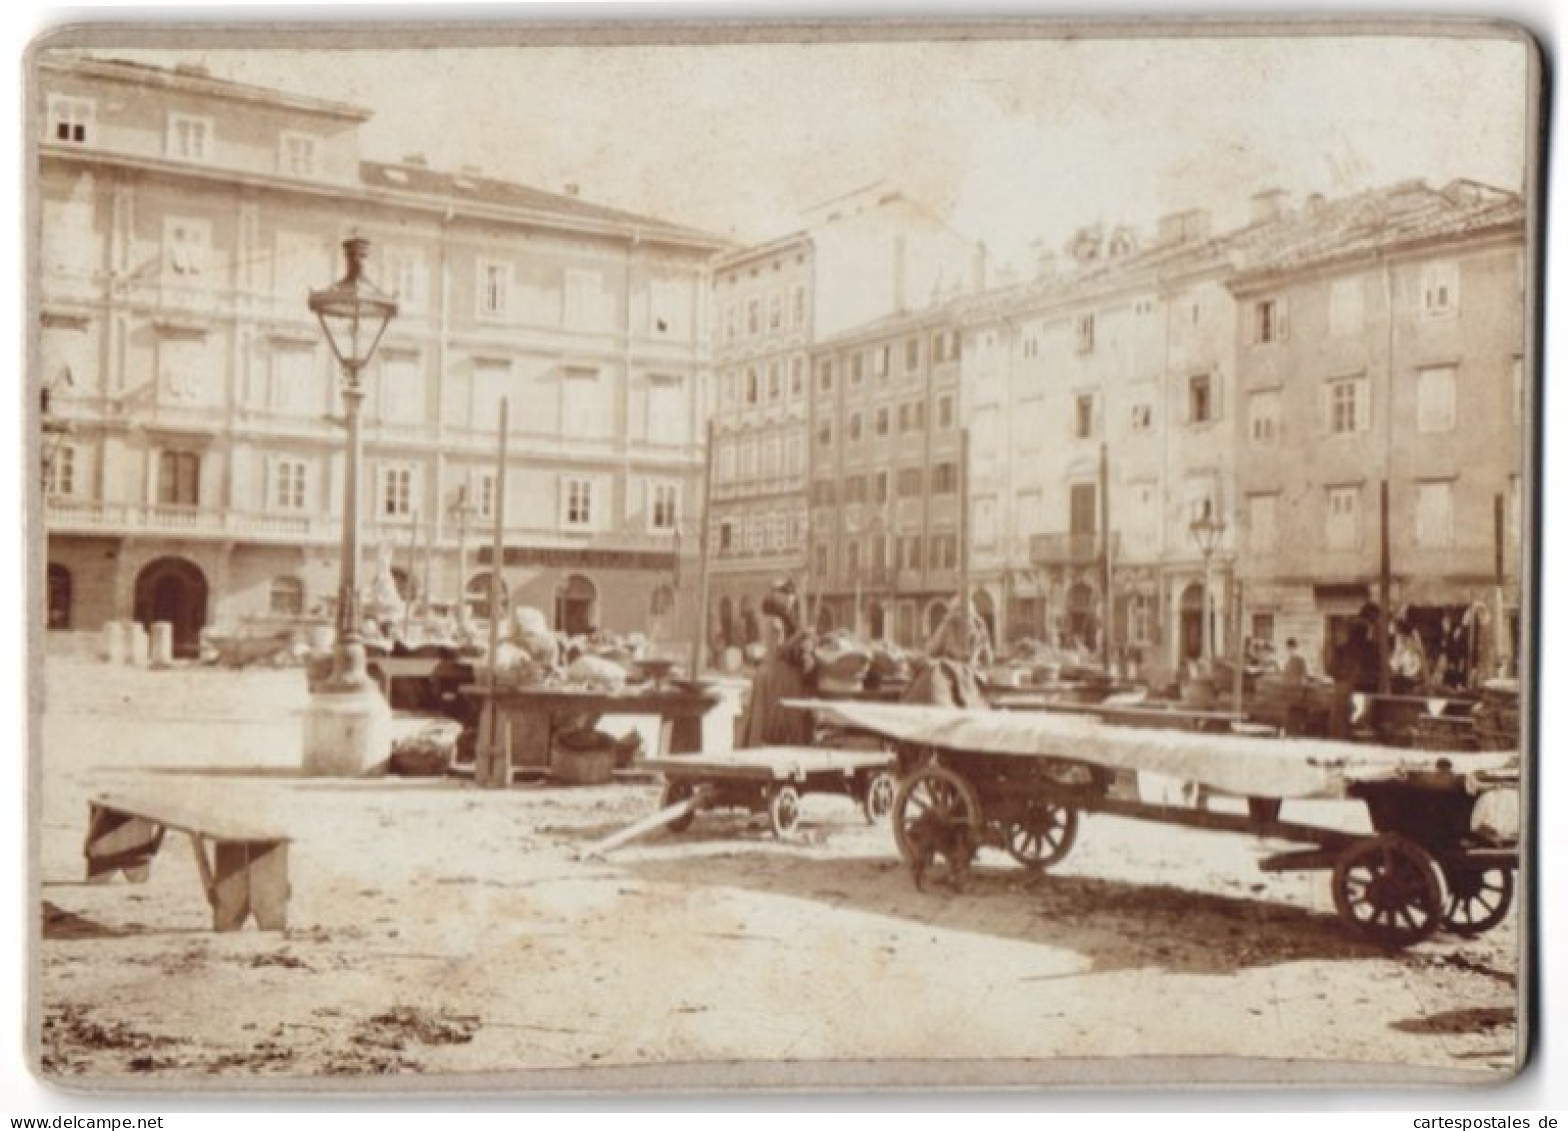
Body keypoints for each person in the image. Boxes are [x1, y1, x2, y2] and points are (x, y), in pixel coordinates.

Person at [740, 614, 814, 748]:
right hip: (785, 743)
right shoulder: (786, 671)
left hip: (777, 742)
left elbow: (758, 715)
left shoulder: (769, 671)